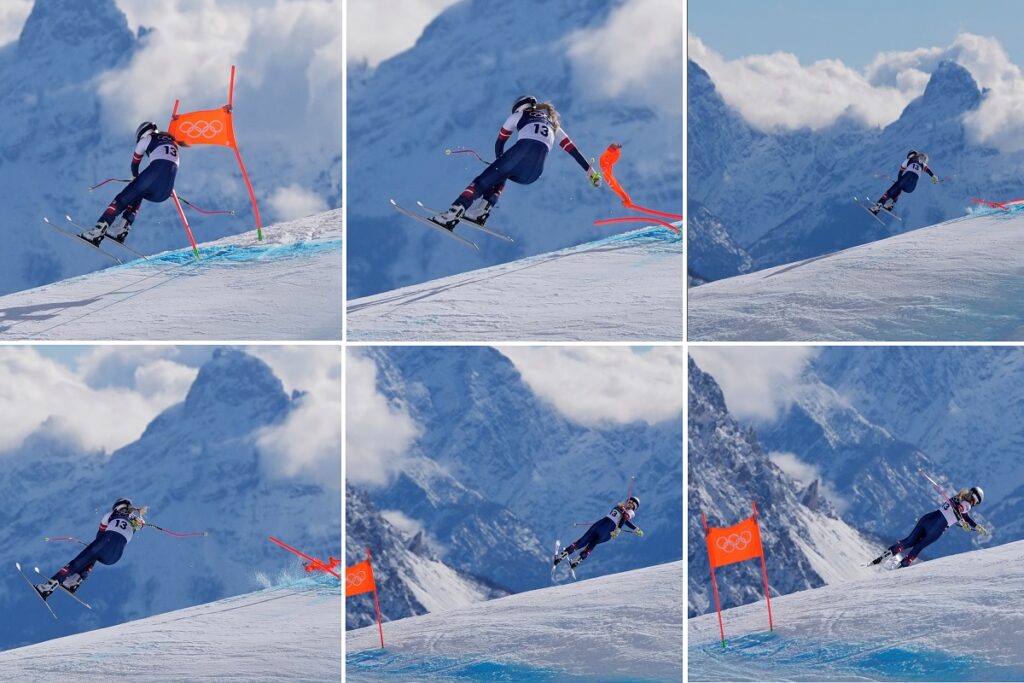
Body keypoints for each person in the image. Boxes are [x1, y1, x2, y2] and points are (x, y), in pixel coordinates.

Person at [431, 95, 601, 230]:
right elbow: (573, 150)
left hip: (519, 154)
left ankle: (452, 214)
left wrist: (497, 164)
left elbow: (500, 143)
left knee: (484, 180)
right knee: (504, 172)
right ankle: (482, 210)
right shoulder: (554, 124)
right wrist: (590, 172)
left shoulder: (519, 115)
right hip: (533, 174)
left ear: (519, 106)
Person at [80, 121, 182, 246]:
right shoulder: (173, 144)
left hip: (153, 175)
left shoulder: (148, 139)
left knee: (122, 199)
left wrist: (135, 178)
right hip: (165, 192)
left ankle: (97, 231)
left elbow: (135, 163)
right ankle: (121, 229)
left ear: (143, 134)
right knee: (138, 194)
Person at [35, 498, 145, 598]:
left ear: (117, 506)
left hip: (104, 543)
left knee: (77, 563)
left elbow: (100, 534)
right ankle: (74, 582)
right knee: (94, 557)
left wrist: (92, 547)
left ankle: (47, 588)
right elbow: (139, 526)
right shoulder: (136, 522)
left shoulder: (110, 514)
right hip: (115, 557)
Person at [870, 486, 986, 568]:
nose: (973, 502)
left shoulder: (958, 497)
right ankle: (900, 568)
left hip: (928, 518)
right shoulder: (967, 505)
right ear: (975, 501)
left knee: (908, 541)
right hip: (937, 528)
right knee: (917, 548)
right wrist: (971, 524)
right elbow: (962, 511)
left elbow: (962, 514)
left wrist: (971, 524)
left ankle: (885, 556)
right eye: (975, 501)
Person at [554, 496, 644, 570]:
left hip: (602, 526)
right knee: (589, 544)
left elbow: (624, 518)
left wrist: (621, 528)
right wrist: (633, 529)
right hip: (606, 532)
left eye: (633, 504)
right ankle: (575, 560)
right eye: (630, 501)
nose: (630, 504)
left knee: (583, 542)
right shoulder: (620, 506)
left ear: (634, 508)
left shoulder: (629, 512)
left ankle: (563, 556)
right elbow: (623, 519)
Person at [870, 150, 939, 215]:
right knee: (900, 189)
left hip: (907, 177)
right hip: (912, 187)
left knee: (890, 192)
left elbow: (900, 172)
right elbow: (928, 170)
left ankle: (876, 208)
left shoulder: (909, 160)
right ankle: (889, 205)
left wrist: (898, 181)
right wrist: (933, 176)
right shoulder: (923, 164)